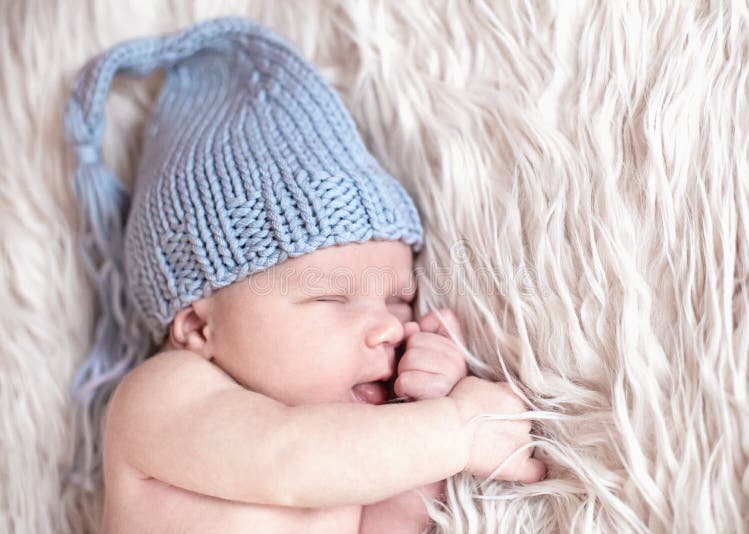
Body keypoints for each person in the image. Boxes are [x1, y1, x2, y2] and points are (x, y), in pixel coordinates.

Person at [63, 16, 546, 533]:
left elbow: (387, 521)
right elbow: (286, 460)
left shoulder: (350, 448)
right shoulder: (161, 397)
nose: (389, 328)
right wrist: (454, 431)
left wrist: (427, 415)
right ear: (198, 327)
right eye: (331, 298)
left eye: (400, 301)